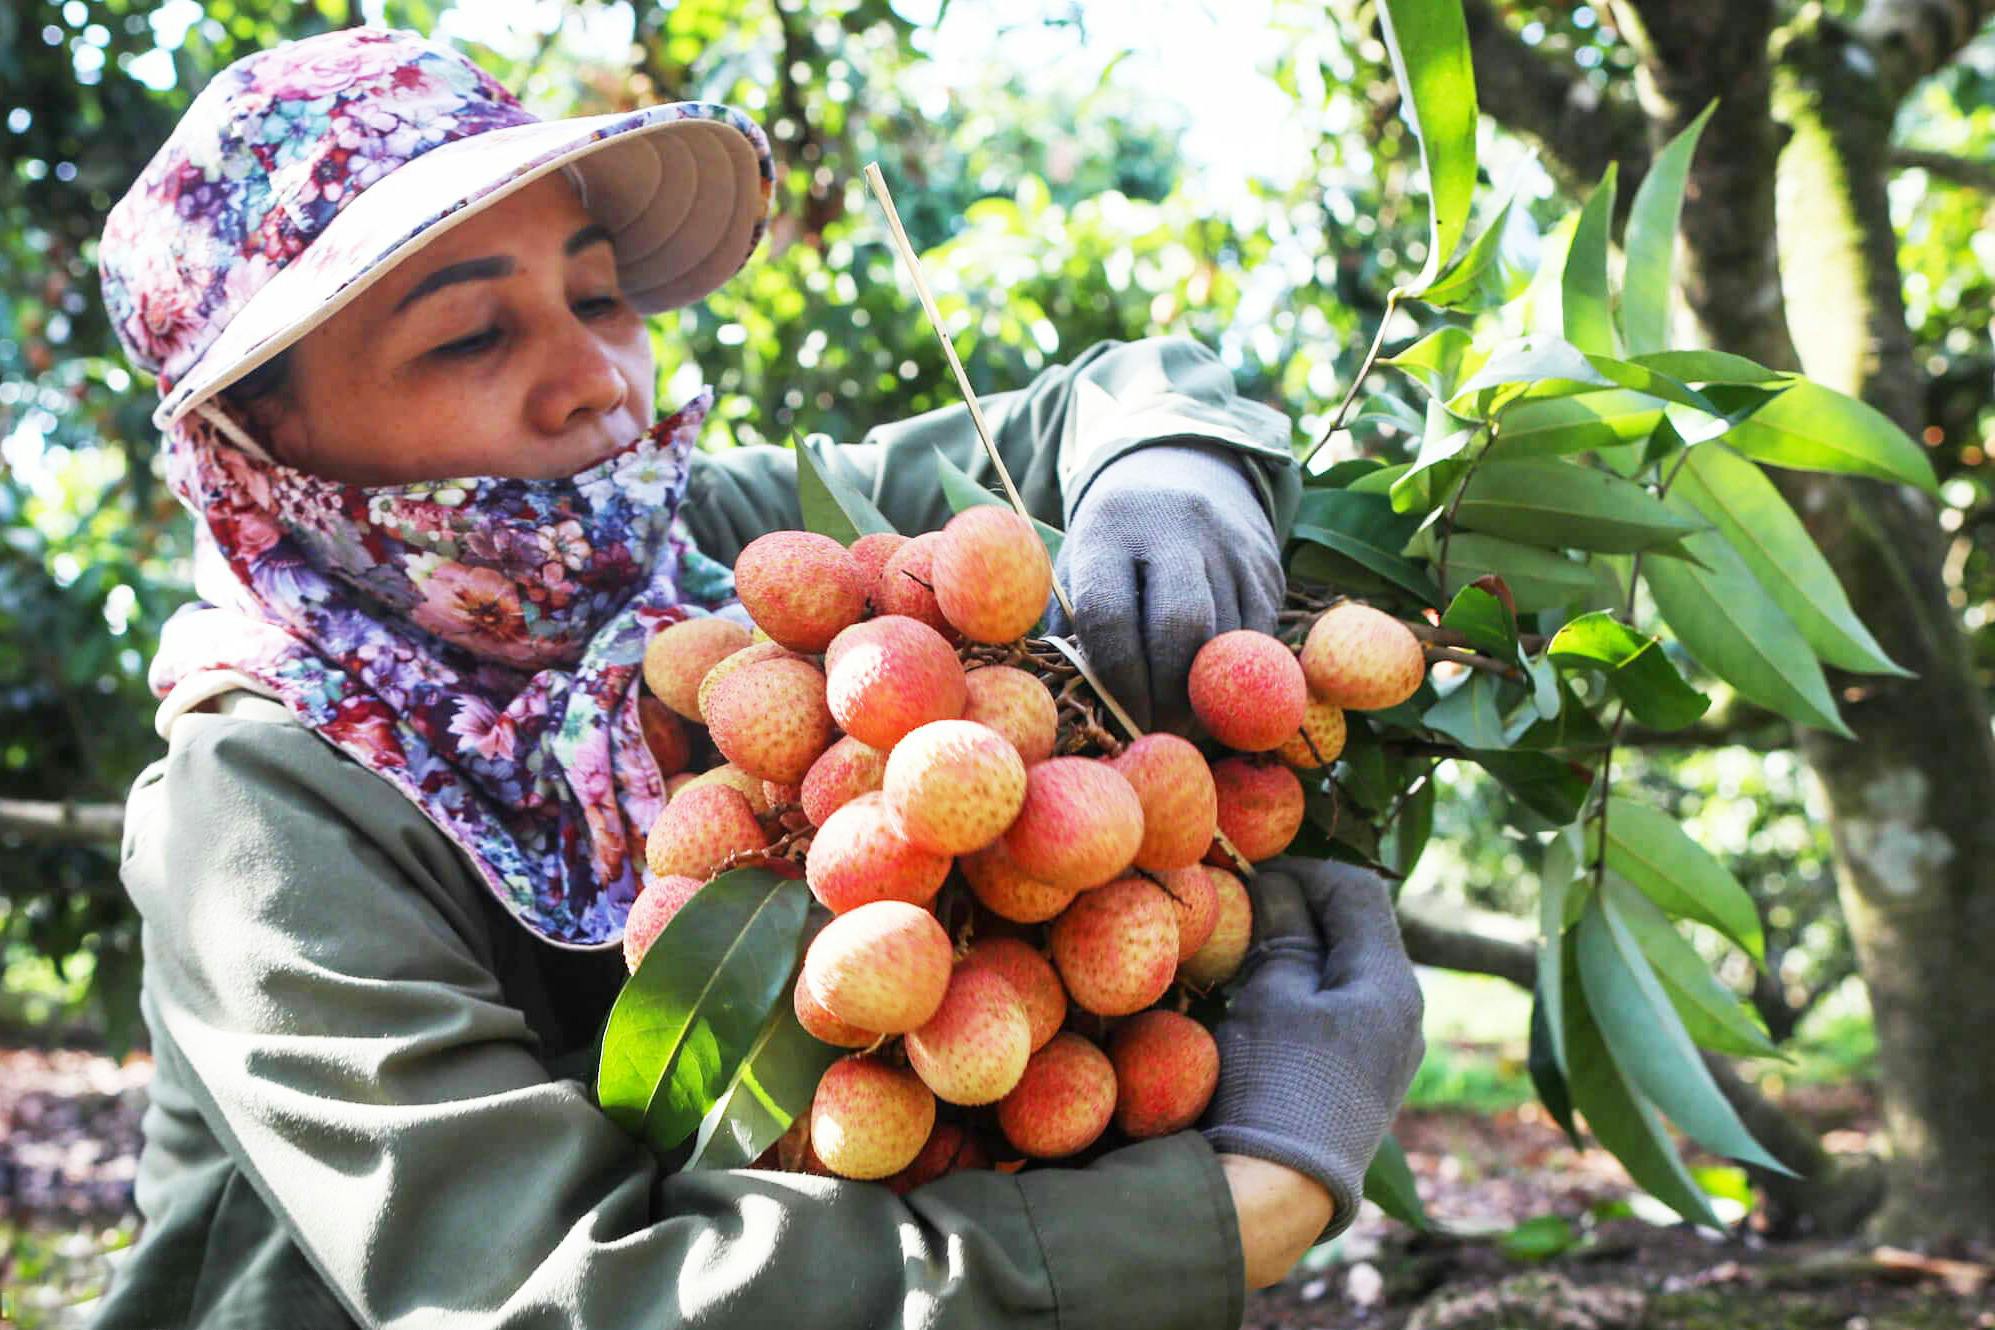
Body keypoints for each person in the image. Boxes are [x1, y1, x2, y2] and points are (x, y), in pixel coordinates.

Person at [88, 26, 1424, 1330]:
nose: (596, 381)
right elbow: (556, 1289)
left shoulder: (716, 556)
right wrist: (1238, 1208)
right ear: (260, 441)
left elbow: (1098, 402)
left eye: (599, 294)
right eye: (468, 337)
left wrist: (1172, 468)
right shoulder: (259, 800)